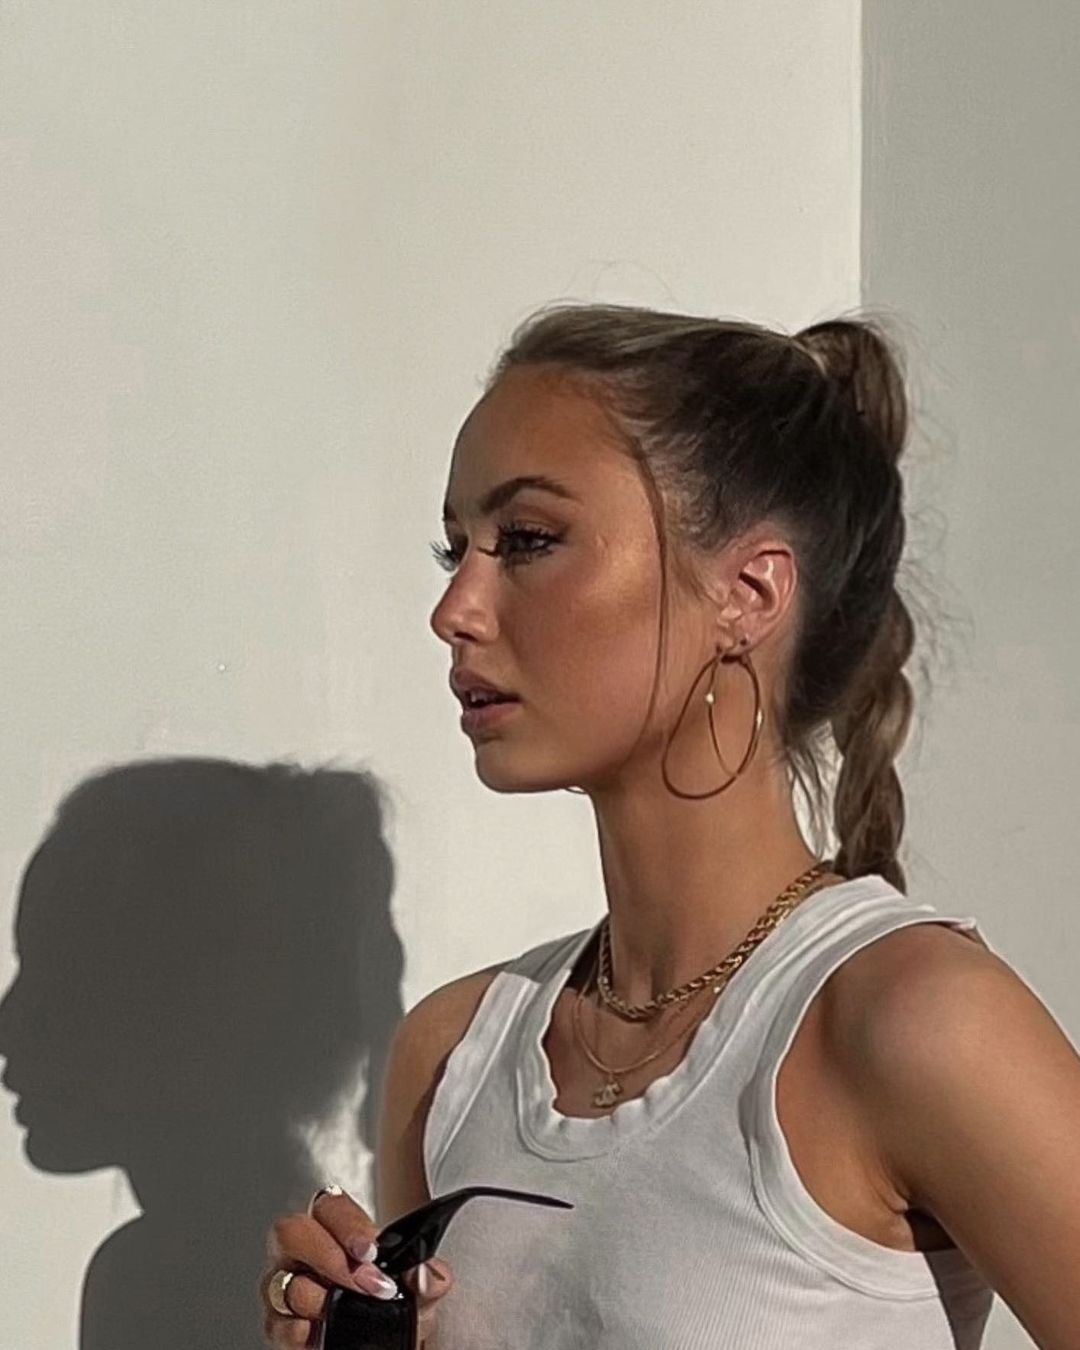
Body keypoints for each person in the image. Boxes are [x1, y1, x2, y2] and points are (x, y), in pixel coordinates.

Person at [259, 303, 1080, 1349]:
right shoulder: (451, 1058)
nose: (454, 608)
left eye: (528, 540)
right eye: (454, 548)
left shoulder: (915, 1019)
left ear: (748, 593)